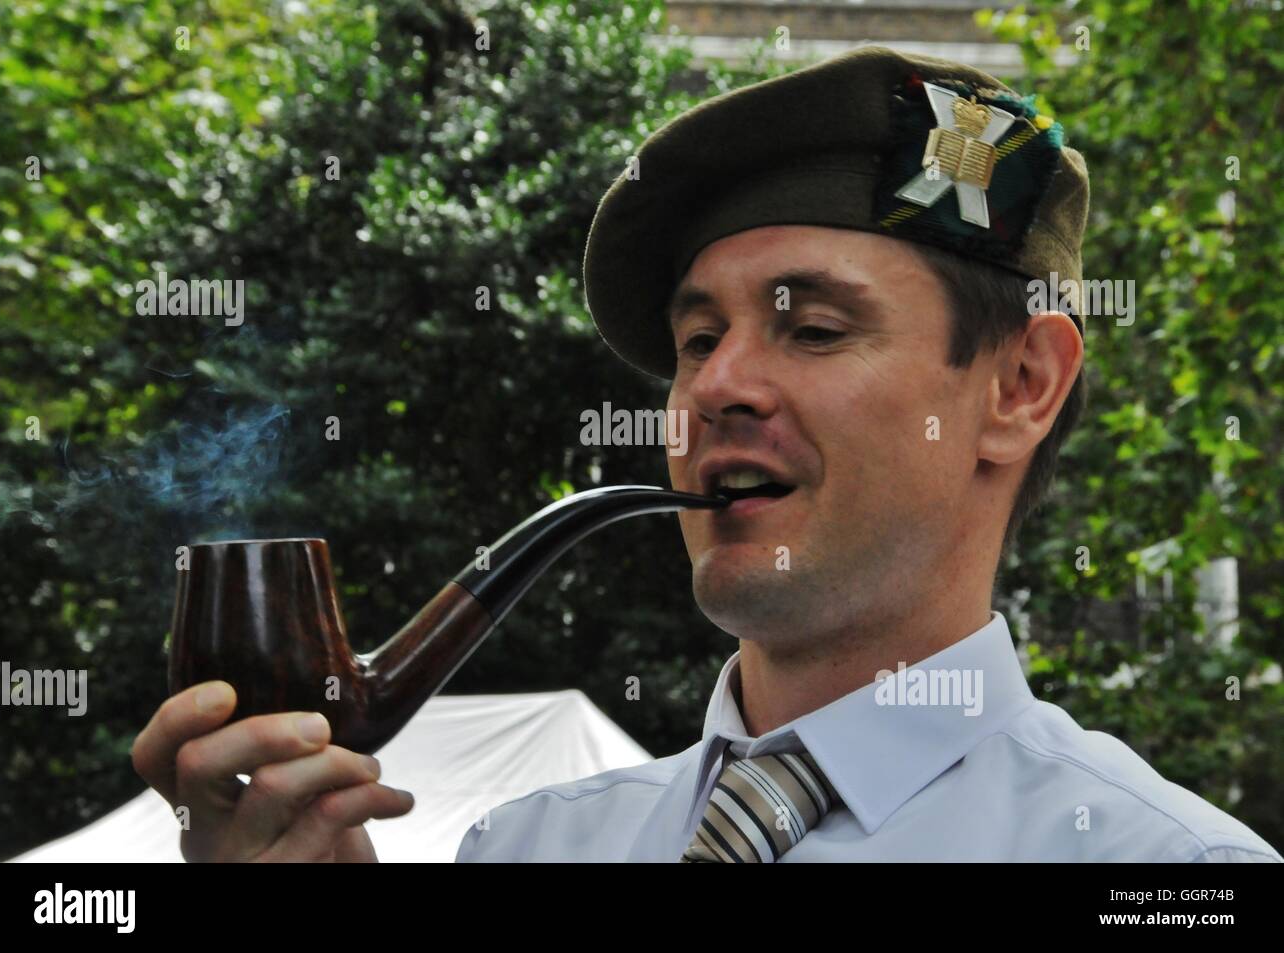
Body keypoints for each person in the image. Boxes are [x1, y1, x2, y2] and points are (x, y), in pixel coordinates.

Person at [132, 46, 1281, 862]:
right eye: (696, 338)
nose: (714, 385)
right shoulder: (527, 848)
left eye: (814, 327)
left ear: (1019, 385)